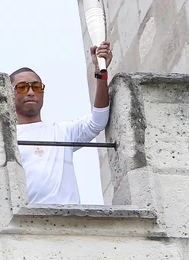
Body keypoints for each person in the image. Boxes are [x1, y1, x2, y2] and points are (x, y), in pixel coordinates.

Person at [10, 41, 113, 204]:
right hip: (27, 223)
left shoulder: (61, 132)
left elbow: (98, 121)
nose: (30, 92)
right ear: (9, 94)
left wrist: (101, 72)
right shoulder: (5, 139)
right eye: (22, 87)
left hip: (68, 223)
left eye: (36, 87)